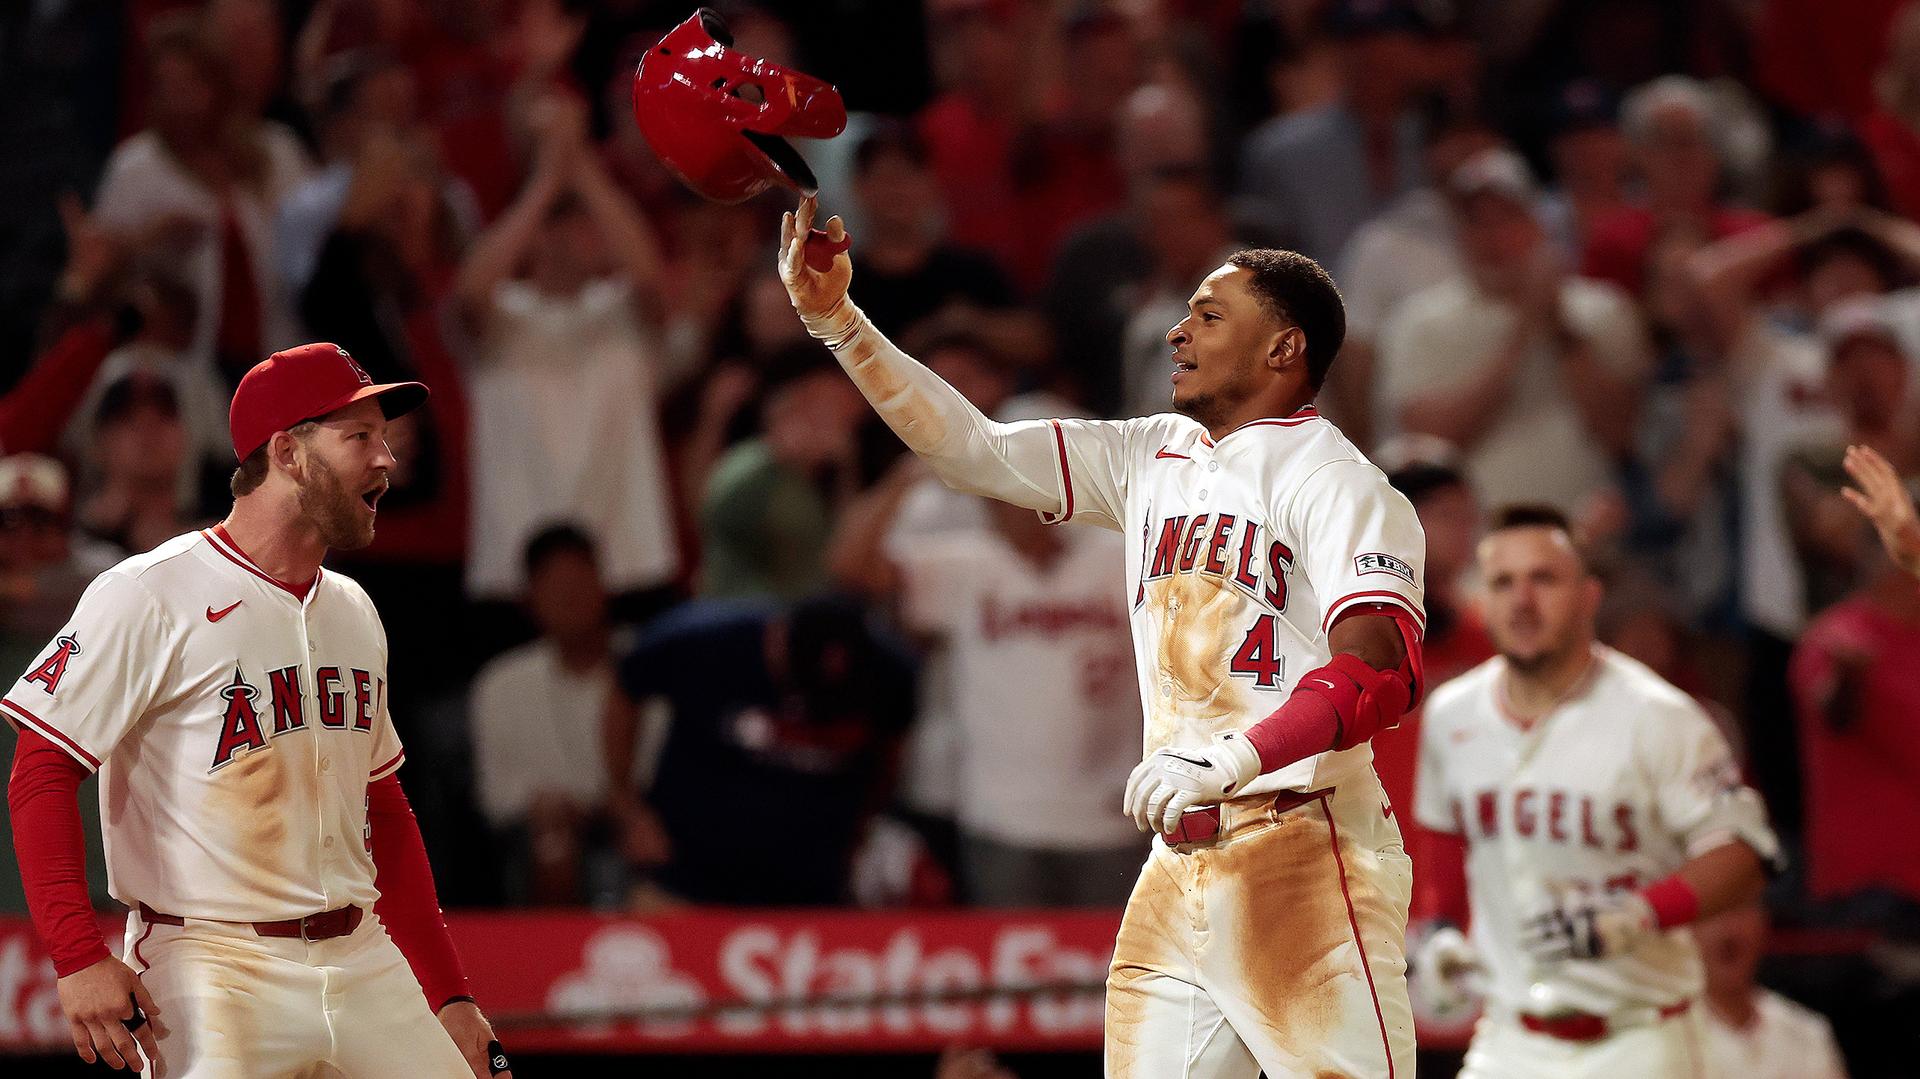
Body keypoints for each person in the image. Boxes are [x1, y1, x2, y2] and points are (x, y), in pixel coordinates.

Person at [781, 196, 1427, 1075]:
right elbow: (970, 448)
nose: (1176, 332)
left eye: (1208, 314)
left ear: (1284, 347)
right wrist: (838, 323)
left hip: (1305, 849)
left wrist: (1235, 755)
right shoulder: (1149, 453)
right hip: (1177, 859)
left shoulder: (1340, 481)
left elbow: (1379, 670)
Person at [4, 342, 508, 1076]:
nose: (385, 458)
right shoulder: (149, 591)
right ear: (288, 451)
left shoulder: (354, 608)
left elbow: (383, 807)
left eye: (383, 437)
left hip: (360, 952)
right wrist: (77, 954)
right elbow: (41, 771)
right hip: (213, 960)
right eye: (359, 436)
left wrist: (451, 994)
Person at [1414, 505, 1778, 1078]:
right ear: (1482, 600)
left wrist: (1638, 913)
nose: (1523, 600)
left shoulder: (1660, 716)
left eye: (1544, 579)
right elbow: (1444, 847)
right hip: (1508, 1038)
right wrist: (1438, 933)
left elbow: (1744, 857)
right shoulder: (1451, 715)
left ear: (1589, 596)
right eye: (1503, 582)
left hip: (1637, 1035)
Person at [832, 395, 1147, 907]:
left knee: (1114, 977)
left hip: (1111, 814)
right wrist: (907, 477)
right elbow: (850, 568)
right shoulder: (966, 566)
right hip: (1001, 816)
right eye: (999, 486)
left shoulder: (1123, 555)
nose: (1010, 502)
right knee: (1018, 975)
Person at [601, 595, 916, 907]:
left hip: (812, 896)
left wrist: (865, 826)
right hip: (684, 879)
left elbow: (891, 752)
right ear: (778, 638)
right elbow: (625, 690)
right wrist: (626, 804)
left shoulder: (889, 672)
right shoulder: (702, 640)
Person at [469, 524, 628, 906]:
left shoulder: (644, 669)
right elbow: (496, 797)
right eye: (554, 585)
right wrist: (550, 806)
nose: (569, 595)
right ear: (530, 599)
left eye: (578, 580)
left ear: (604, 585)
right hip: (542, 831)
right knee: (551, 844)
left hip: (630, 821)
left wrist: (609, 806)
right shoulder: (500, 684)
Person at [1694, 904, 1849, 1079]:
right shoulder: (1666, 1034)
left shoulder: (1808, 1033)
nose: (1729, 933)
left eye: (1740, 912)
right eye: (1714, 915)